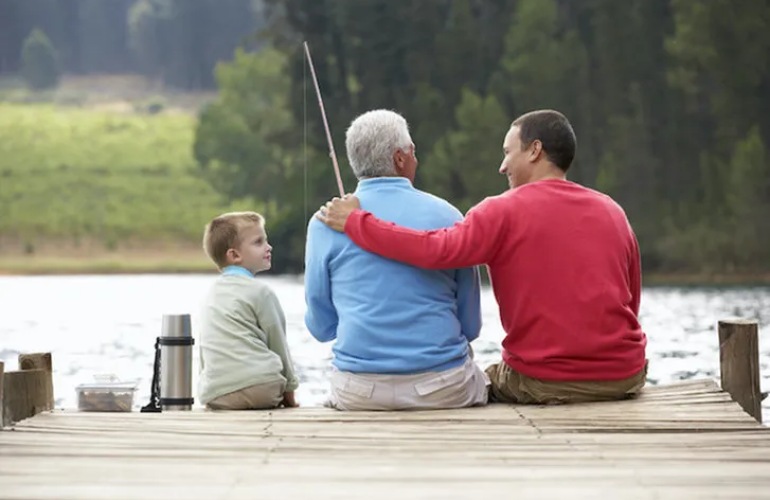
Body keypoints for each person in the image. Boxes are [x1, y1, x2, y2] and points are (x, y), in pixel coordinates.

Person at [317, 109, 647, 405]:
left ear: (535, 151)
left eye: (507, 152)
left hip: (545, 382)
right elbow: (631, 300)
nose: (502, 165)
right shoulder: (612, 210)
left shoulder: (502, 211)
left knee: (489, 380)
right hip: (625, 376)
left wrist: (356, 222)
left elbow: (436, 249)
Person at [305, 109, 488, 411]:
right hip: (442, 389)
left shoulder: (324, 222)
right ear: (400, 158)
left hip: (359, 392)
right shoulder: (449, 215)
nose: (416, 158)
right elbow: (471, 326)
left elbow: (321, 328)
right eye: (413, 151)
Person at [198, 211, 299, 410]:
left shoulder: (210, 294)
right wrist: (290, 392)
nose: (269, 247)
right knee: (268, 374)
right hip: (262, 389)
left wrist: (208, 386)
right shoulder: (262, 292)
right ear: (235, 255)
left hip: (218, 394)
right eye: (259, 242)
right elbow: (277, 342)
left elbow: (205, 348)